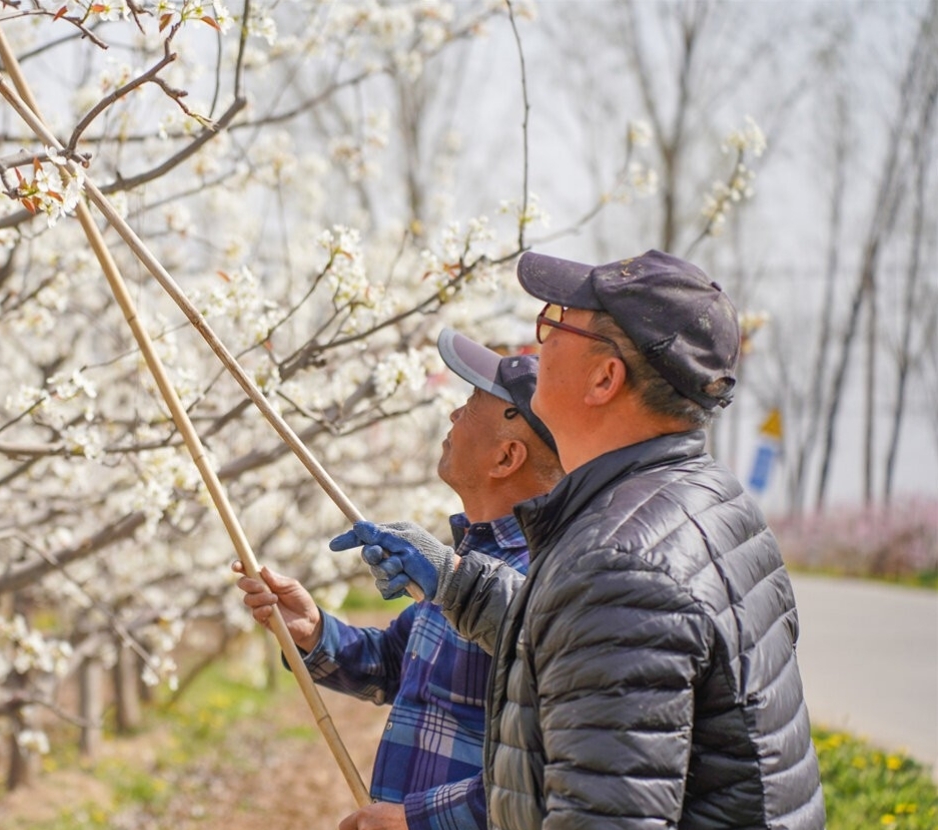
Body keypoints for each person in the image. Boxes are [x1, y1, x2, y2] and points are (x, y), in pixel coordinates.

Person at [342, 250, 824, 829]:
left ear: (604, 378)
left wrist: (418, 820)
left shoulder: (619, 563)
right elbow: (588, 672)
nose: (535, 344)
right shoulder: (705, 499)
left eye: (554, 325)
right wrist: (457, 584)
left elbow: (603, 813)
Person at [235, 330, 562, 830]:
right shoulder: (459, 566)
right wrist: (314, 631)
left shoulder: (542, 582)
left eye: (473, 404)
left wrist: (418, 820)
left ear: (506, 458)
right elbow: (396, 663)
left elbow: (547, 776)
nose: (454, 415)